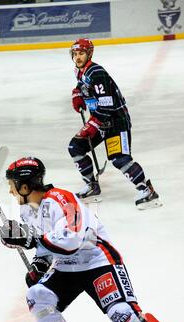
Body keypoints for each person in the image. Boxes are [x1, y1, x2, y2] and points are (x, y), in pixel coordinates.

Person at [0, 156, 184, 322]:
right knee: (37, 296)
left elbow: (70, 241)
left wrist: (29, 239)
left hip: (97, 262)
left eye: (11, 185)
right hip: (66, 267)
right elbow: (46, 247)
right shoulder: (28, 211)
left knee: (122, 312)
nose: (10, 191)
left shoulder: (62, 200)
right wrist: (39, 265)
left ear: (25, 186)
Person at [69, 38, 161, 209]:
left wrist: (92, 125)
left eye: (81, 53)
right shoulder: (81, 70)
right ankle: (92, 186)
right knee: (76, 147)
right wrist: (77, 93)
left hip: (116, 122)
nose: (77, 57)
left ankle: (147, 191)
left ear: (89, 54)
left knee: (119, 159)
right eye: (75, 54)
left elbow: (107, 104)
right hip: (100, 121)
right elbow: (82, 84)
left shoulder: (96, 72)